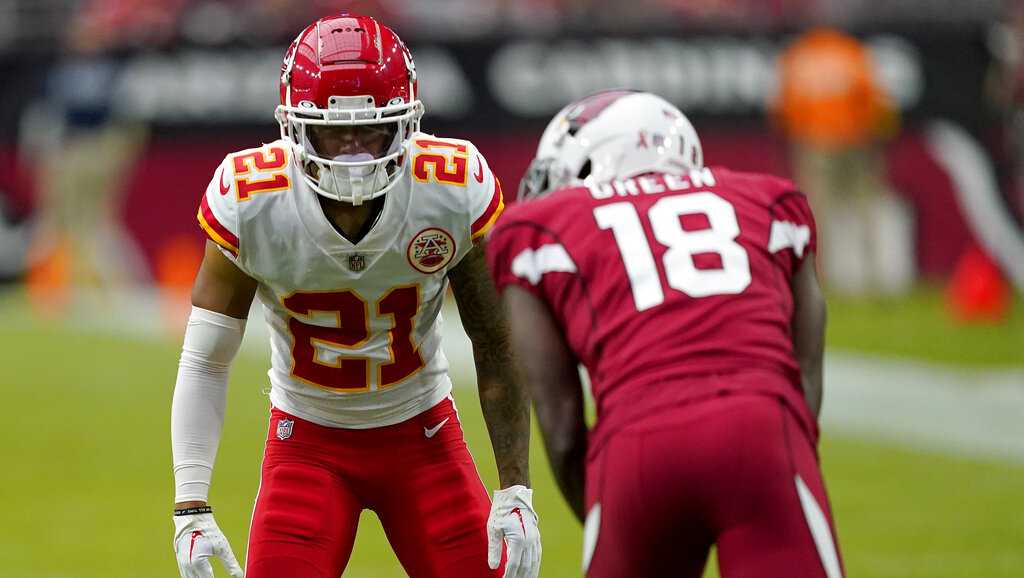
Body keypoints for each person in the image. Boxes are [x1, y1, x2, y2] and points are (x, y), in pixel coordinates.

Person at [169, 13, 540, 578]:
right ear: (294, 127)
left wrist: (516, 490)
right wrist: (191, 504)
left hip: (423, 435)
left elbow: (496, 341)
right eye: (332, 131)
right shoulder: (253, 199)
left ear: (406, 124)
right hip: (306, 445)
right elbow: (204, 360)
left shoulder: (450, 187)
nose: (352, 152)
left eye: (371, 131)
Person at [486, 90, 843, 577]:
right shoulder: (770, 199)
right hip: (761, 427)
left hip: (636, 445)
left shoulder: (538, 228)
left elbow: (563, 423)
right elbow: (805, 375)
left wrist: (611, 514)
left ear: (596, 160)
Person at [773, 27, 911, 297]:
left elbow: (784, 109)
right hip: (855, 141)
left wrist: (799, 137)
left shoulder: (799, 56)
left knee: (816, 215)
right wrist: (874, 137)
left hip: (816, 142)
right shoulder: (851, 52)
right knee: (866, 210)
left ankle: (818, 279)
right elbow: (875, 102)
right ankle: (875, 276)